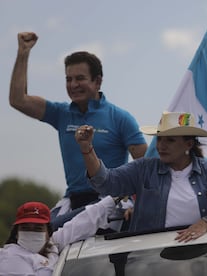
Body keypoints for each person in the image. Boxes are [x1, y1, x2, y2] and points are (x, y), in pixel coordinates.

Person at [9, 32, 148, 229]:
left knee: (48, 232)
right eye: (69, 79)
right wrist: (23, 53)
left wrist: (140, 204)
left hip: (110, 200)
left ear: (97, 81)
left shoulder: (120, 118)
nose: (73, 85)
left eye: (80, 78)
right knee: (27, 233)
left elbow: (147, 166)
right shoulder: (61, 113)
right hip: (72, 200)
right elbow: (18, 100)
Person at [75, 111, 207, 242]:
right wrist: (87, 148)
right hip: (149, 258)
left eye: (170, 140)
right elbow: (105, 183)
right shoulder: (143, 169)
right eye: (159, 139)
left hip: (202, 258)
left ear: (189, 144)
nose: (161, 145)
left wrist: (206, 222)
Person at [0, 196, 115, 275]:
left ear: (48, 233)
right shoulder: (10, 256)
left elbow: (79, 225)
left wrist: (114, 200)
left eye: (38, 228)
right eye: (25, 228)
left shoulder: (51, 245)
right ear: (16, 233)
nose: (32, 233)